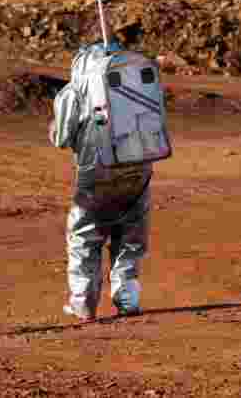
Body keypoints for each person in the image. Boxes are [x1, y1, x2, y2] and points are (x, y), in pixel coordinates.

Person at [49, 40, 153, 321]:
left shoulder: (74, 91)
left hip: (96, 172)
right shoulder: (136, 84)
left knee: (85, 236)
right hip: (139, 168)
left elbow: (60, 138)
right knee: (130, 235)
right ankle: (128, 299)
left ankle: (84, 304)